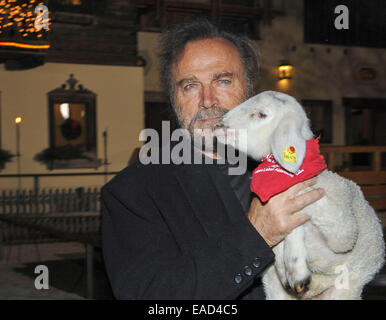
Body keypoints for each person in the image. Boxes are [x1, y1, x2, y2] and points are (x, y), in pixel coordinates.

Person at [101, 17, 325, 300]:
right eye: (190, 86)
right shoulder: (131, 194)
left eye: (222, 80)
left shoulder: (290, 164)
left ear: (249, 89)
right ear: (174, 100)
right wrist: (256, 236)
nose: (207, 100)